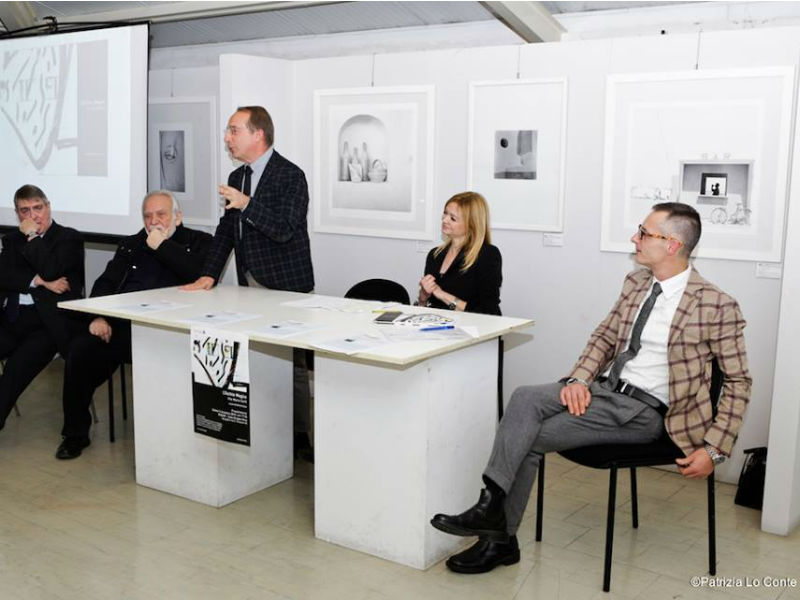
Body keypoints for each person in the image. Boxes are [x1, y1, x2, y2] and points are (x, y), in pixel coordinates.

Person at [430, 202, 751, 574]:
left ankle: (497, 538)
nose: (634, 238)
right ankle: (492, 515)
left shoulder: (716, 305)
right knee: (524, 398)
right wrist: (579, 380)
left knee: (528, 436)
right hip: (607, 392)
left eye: (643, 233)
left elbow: (738, 381)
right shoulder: (636, 283)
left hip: (649, 414)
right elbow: (604, 337)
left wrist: (714, 450)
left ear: (672, 245)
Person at [182, 105, 315, 458]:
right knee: (254, 360)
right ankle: (264, 429)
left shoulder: (291, 175)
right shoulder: (237, 176)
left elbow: (285, 230)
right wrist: (209, 274)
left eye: (234, 130)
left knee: (291, 365)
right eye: (228, 131)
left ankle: (299, 438)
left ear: (258, 134)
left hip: (286, 286)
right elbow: (226, 230)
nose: (227, 138)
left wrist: (246, 203)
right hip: (249, 284)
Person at [56, 191, 212, 459]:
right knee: (80, 351)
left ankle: (175, 438)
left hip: (172, 333)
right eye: (147, 216)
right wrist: (98, 316)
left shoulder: (199, 242)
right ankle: (75, 434)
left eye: (161, 215)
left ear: (178, 217)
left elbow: (201, 275)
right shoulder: (131, 244)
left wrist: (162, 246)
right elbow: (106, 282)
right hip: (125, 329)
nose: (154, 221)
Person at [0, 185, 85, 431]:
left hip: (48, 323)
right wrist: (38, 281)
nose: (33, 216)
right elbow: (3, 276)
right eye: (24, 211)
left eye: (37, 208)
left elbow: (52, 269)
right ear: (17, 213)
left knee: (15, 368)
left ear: (48, 207)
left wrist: (33, 237)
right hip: (12, 317)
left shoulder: (69, 238)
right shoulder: (11, 240)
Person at [418, 192, 502, 316]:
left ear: (471, 224)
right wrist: (423, 297)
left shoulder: (487, 255)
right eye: (445, 213)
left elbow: (487, 312)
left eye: (453, 218)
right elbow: (424, 306)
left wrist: (442, 295)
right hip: (436, 323)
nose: (444, 220)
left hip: (473, 326)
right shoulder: (435, 255)